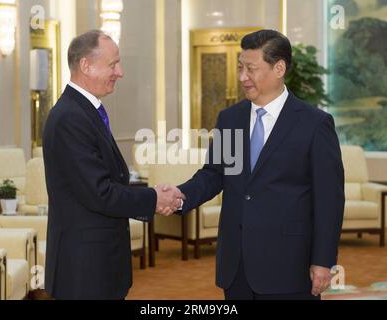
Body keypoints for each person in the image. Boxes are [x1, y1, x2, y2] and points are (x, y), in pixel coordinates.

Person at [171, 29, 345, 300]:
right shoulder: (230, 119)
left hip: (289, 267)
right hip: (236, 266)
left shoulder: (315, 124)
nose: (242, 77)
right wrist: (179, 196)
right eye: (240, 68)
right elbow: (215, 174)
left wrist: (323, 261)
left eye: (250, 69)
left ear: (279, 68)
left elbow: (329, 200)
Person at [43, 30, 183, 300]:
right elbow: (100, 192)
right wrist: (154, 198)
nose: (119, 72)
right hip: (84, 271)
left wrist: (151, 195)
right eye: (112, 64)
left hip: (98, 265)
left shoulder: (85, 111)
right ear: (85, 65)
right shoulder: (70, 118)